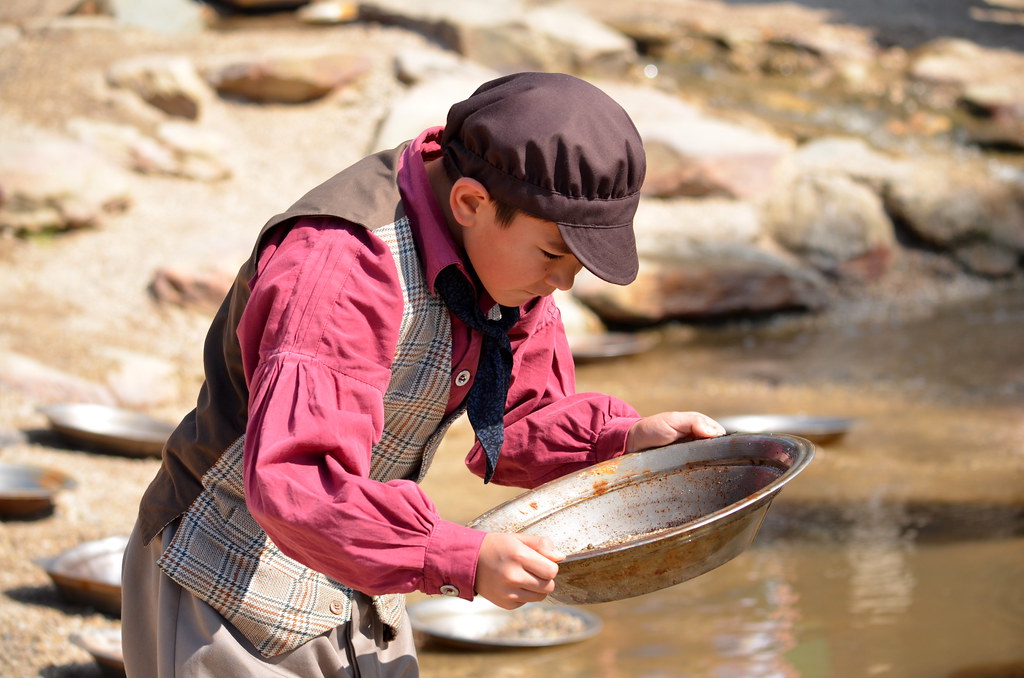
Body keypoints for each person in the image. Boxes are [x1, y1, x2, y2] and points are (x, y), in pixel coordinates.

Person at [121, 71, 725, 677]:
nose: (564, 283)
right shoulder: (341, 265)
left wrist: (625, 443)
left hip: (364, 568)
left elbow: (520, 418)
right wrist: (458, 556)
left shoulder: (504, 255)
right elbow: (295, 481)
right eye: (553, 255)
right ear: (469, 202)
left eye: (578, 264)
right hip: (225, 580)